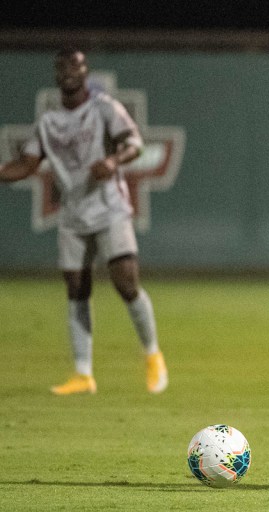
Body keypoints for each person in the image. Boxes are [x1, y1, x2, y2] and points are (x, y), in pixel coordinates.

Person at [0, 48, 168, 395]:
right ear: (57, 74)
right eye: (62, 67)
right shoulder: (48, 123)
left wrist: (113, 160)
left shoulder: (104, 108)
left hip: (110, 208)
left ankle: (153, 355)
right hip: (73, 215)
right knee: (77, 290)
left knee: (126, 283)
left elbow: (134, 143)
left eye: (75, 66)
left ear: (85, 70)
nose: (69, 72)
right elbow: (28, 165)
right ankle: (83, 374)